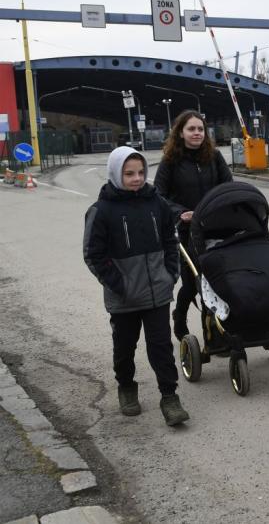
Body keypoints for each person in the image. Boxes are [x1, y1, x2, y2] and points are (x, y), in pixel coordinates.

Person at [83, 146, 190, 427]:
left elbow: (171, 241)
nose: (137, 178)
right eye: (129, 173)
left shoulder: (158, 205)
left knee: (161, 348)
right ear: (116, 174)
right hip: (124, 298)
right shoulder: (101, 211)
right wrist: (120, 285)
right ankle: (127, 387)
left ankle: (170, 397)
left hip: (157, 292)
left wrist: (170, 275)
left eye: (141, 172)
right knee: (124, 346)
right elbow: (93, 255)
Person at [154, 110, 233, 342]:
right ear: (180, 132)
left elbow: (227, 185)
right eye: (191, 129)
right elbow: (158, 195)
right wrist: (181, 213)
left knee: (215, 281)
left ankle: (214, 335)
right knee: (193, 284)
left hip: (214, 227)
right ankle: (180, 316)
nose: (197, 133)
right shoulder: (170, 161)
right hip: (186, 231)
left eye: (200, 129)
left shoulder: (214, 156)